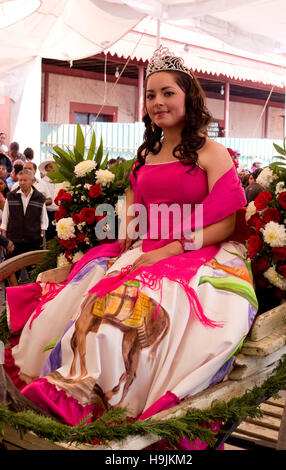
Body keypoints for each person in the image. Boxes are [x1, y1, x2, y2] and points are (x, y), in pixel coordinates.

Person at [3, 47, 257, 448]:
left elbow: (227, 220)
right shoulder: (147, 155)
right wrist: (128, 233)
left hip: (198, 255)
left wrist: (170, 250)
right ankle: (70, 387)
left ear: (188, 97)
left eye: (167, 93)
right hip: (147, 248)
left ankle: (103, 397)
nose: (158, 102)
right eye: (151, 95)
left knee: (125, 313)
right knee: (85, 302)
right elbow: (137, 208)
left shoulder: (212, 151)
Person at [1, 169, 48, 256]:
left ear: (32, 181)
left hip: (33, 241)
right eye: (20, 180)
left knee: (33, 268)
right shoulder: (11, 196)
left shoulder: (39, 197)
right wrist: (4, 236)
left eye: (25, 180)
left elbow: (44, 218)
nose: (22, 182)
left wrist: (41, 234)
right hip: (14, 240)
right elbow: (5, 217)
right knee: (14, 268)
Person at [38, 157, 59, 240]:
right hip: (48, 214)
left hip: (60, 214)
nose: (53, 169)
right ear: (46, 168)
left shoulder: (62, 181)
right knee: (50, 239)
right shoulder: (41, 183)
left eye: (55, 166)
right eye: (51, 167)